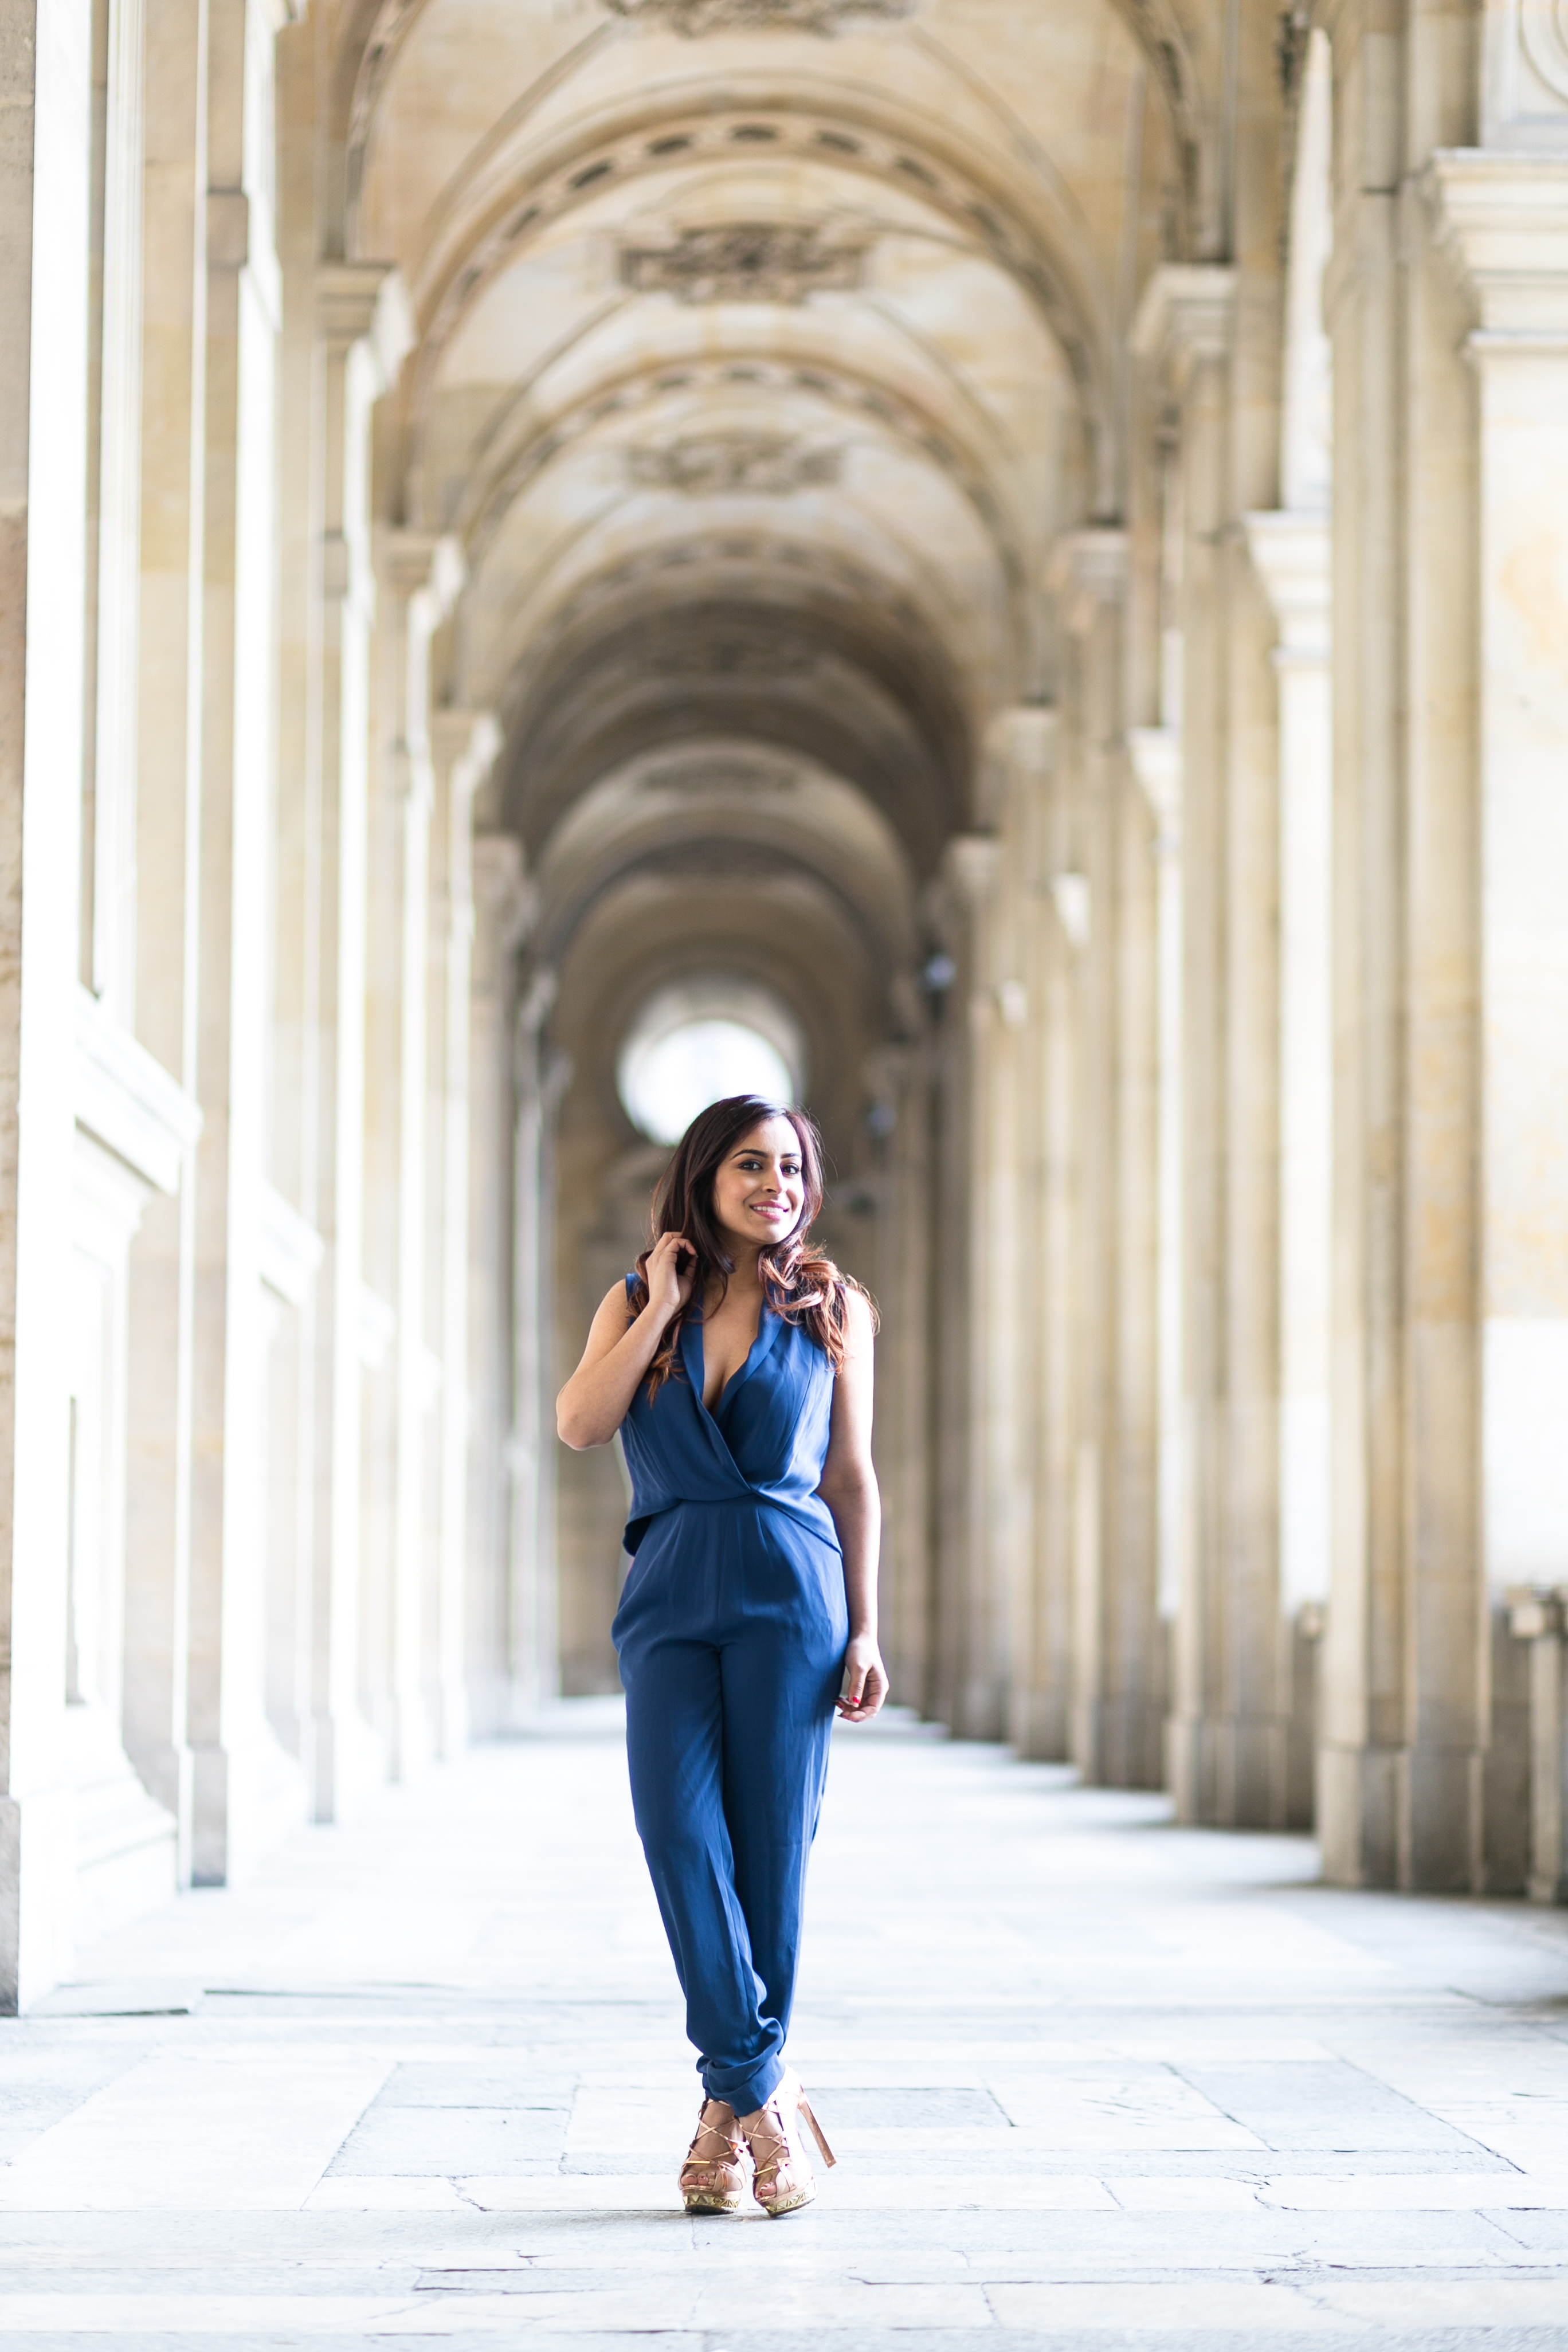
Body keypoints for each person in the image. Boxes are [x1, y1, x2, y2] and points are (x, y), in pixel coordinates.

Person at [556, 1093, 887, 2217]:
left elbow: (851, 1478)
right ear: (704, 1177)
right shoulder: (635, 1301)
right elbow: (581, 1422)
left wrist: (869, 1627)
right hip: (668, 1590)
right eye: (750, 1165)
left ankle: (724, 2120)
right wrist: (657, 1307)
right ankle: (767, 2094)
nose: (774, 1187)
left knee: (770, 1866)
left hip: (793, 1592)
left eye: (791, 1168)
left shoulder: (835, 1308)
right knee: (678, 1838)